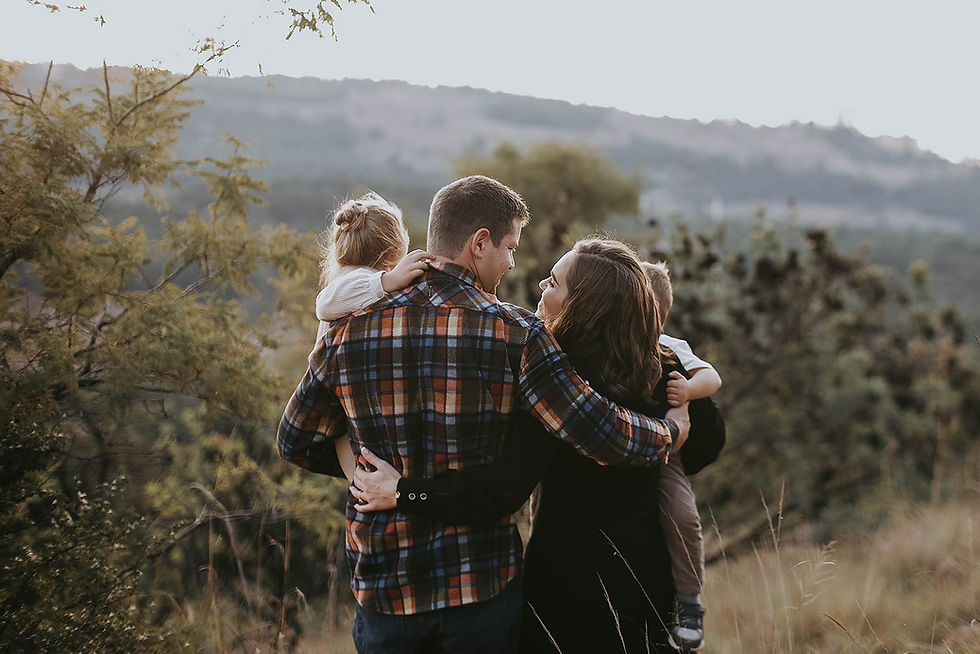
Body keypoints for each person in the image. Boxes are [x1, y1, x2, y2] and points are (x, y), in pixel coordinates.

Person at [277, 176, 689, 654]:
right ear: (479, 244)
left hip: (386, 586)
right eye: (510, 247)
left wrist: (363, 471)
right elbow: (598, 429)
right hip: (479, 588)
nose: (513, 261)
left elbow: (295, 440)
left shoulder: (346, 328)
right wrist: (667, 433)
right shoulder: (517, 334)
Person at [352, 238, 701, 653]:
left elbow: (499, 490)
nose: (539, 286)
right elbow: (707, 447)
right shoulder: (664, 368)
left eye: (552, 283)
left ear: (582, 309)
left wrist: (408, 491)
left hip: (565, 589)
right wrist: (674, 430)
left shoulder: (549, 381)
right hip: (647, 585)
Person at [310, 191, 432, 479]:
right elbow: (325, 303)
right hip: (334, 396)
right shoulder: (355, 278)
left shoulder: (361, 279)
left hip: (345, 390)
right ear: (392, 255)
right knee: (359, 472)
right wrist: (388, 280)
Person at [643, 261, 723, 653]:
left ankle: (689, 603)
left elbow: (713, 377)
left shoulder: (670, 346)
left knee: (682, 515)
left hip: (666, 454)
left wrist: (688, 391)